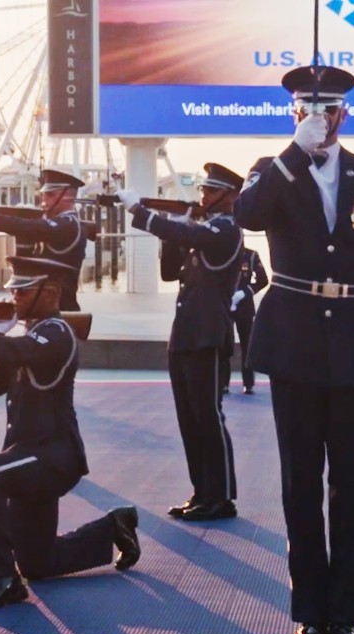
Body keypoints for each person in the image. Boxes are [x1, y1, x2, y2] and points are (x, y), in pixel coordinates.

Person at [233, 65, 354, 634]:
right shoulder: (271, 170)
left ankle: (347, 613)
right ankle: (311, 612)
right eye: (307, 111)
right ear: (293, 114)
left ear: (345, 113)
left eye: (329, 109)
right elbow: (247, 217)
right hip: (294, 343)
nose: (319, 119)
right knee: (299, 483)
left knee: (350, 485)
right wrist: (294, 153)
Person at [0, 255, 141, 611]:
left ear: (50, 293)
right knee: (37, 564)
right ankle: (113, 528)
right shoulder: (31, 336)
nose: (15, 298)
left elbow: (16, 351)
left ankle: (1, 580)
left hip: (52, 455)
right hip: (27, 456)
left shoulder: (56, 332)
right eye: (13, 291)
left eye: (23, 291)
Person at [116, 163, 244, 521]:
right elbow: (171, 272)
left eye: (210, 190)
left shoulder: (226, 228)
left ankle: (221, 497)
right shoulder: (203, 229)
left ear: (229, 195)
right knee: (189, 418)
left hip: (207, 335)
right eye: (203, 189)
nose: (203, 195)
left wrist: (140, 213)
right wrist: (177, 228)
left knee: (208, 416)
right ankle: (202, 492)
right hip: (186, 335)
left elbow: (198, 238)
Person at [0, 168, 93, 311]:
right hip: (41, 307)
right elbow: (26, 259)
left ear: (67, 197)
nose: (44, 199)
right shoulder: (57, 223)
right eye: (43, 194)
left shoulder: (69, 225)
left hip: (61, 308)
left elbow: (25, 227)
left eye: (50, 195)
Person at [226, 246, 268, 395]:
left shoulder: (251, 255)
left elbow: (263, 280)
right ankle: (223, 383)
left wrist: (244, 293)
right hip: (225, 305)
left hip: (244, 306)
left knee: (247, 344)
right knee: (224, 344)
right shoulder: (221, 252)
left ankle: (248, 383)